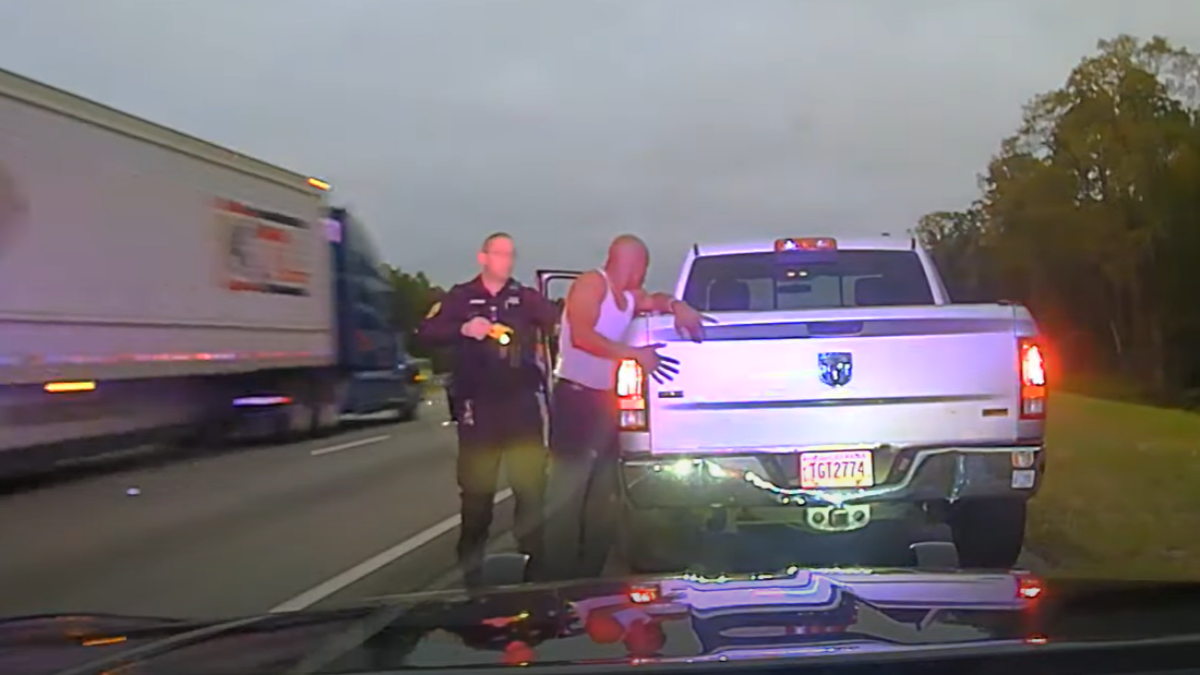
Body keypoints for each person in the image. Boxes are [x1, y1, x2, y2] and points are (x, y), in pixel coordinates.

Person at [537, 234, 710, 582]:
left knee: (603, 496)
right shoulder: (592, 284)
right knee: (567, 496)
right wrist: (635, 355)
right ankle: (554, 583)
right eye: (643, 266)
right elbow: (581, 337)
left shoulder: (627, 298)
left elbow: (654, 299)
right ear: (629, 262)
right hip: (576, 398)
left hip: (602, 401)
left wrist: (677, 305)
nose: (644, 274)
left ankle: (588, 578)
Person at [417, 232, 559, 586]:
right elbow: (427, 330)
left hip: (520, 407)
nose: (506, 261)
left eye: (511, 254)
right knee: (478, 497)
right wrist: (465, 327)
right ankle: (470, 576)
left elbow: (561, 321)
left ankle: (537, 573)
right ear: (483, 257)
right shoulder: (462, 297)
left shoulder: (524, 298)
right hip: (478, 409)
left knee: (531, 491)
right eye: (499, 254)